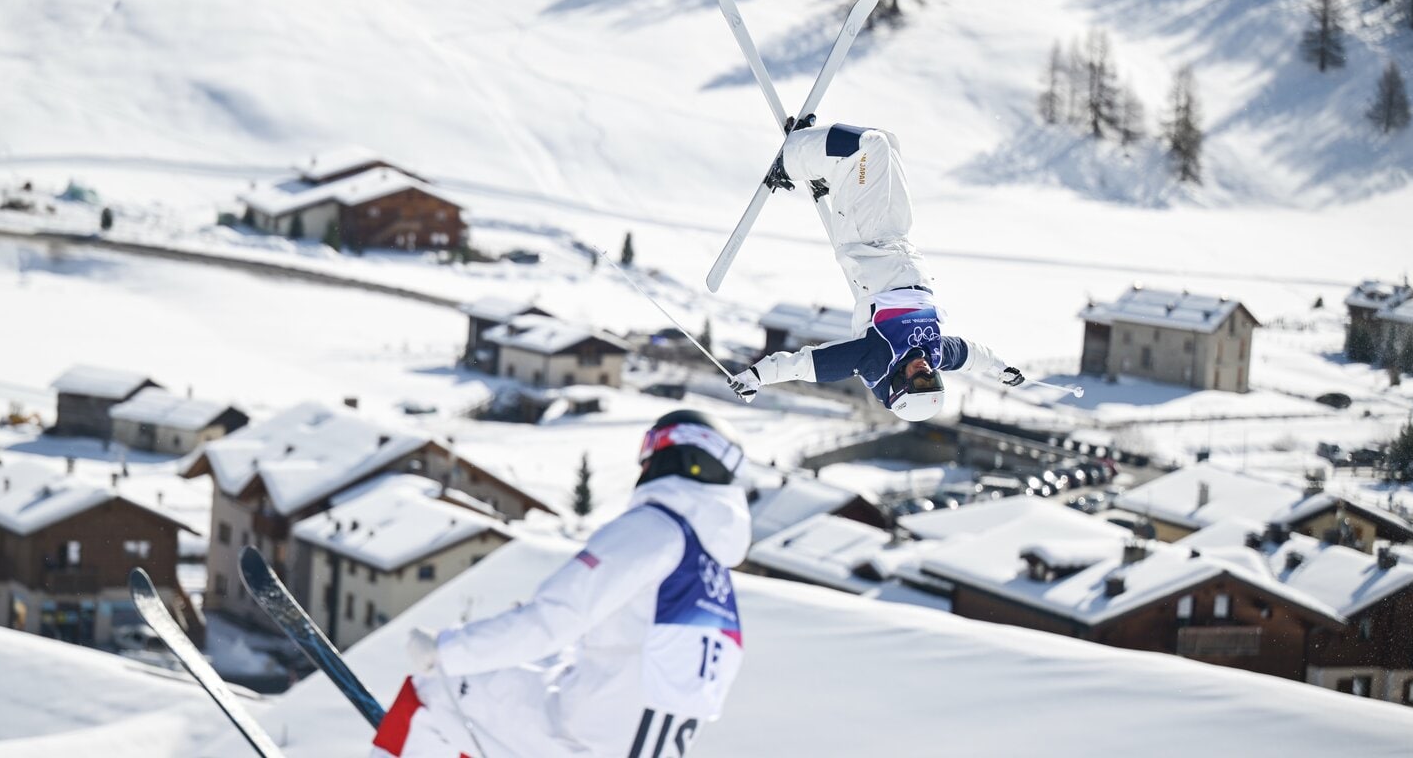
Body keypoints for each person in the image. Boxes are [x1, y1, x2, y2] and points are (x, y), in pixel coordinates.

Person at [371, 409, 751, 758]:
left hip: (584, 736)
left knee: (436, 693)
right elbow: (628, 651)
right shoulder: (711, 577)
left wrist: (446, 650)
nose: (644, 462)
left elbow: (554, 618)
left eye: (650, 448)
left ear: (680, 455)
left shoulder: (653, 530)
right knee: (495, 702)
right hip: (634, 741)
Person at [729, 121, 1023, 421]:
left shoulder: (875, 358)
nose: (927, 372)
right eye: (934, 380)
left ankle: (790, 160)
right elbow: (971, 355)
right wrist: (1002, 369)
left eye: (921, 383)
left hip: (866, 238)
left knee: (870, 146)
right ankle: (828, 169)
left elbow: (806, 365)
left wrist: (756, 376)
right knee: (889, 143)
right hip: (898, 237)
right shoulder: (934, 353)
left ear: (899, 386)